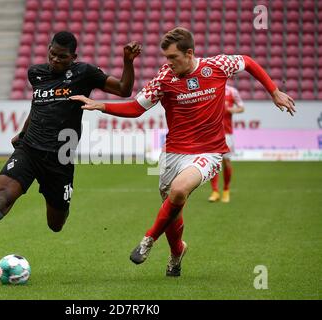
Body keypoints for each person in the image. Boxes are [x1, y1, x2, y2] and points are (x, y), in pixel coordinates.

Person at [70, 27, 295, 277]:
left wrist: (274, 91)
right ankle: (177, 253)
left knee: (178, 191)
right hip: (173, 153)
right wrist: (100, 105)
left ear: (189, 53)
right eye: (165, 57)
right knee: (172, 206)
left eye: (173, 57)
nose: (168, 62)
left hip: (208, 151)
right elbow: (136, 108)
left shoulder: (217, 66)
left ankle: (147, 240)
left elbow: (248, 61)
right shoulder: (164, 78)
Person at [0, 31, 142, 277]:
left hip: (60, 160)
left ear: (73, 57)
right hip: (29, 151)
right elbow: (37, 105)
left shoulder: (84, 73)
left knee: (56, 224)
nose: (55, 60)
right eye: (52, 54)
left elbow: (124, 90)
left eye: (62, 57)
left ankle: (57, 201)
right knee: (1, 200)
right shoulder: (36, 73)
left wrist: (127, 61)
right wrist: (22, 133)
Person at [208, 82, 245, 203]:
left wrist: (229, 109)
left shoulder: (232, 91)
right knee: (213, 162)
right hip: (211, 132)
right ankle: (214, 191)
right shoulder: (209, 89)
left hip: (226, 133)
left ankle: (226, 190)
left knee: (226, 161)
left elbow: (241, 107)